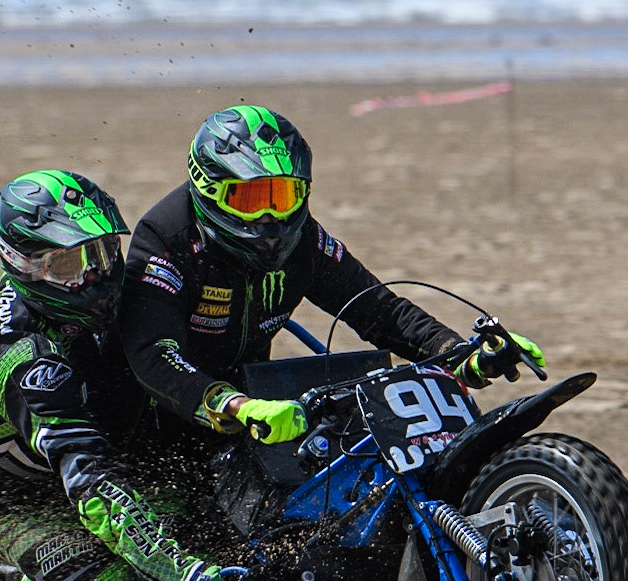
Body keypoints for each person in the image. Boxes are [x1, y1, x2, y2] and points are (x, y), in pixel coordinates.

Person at [0, 169, 230, 581]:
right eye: (72, 264)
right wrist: (184, 573)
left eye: (103, 253)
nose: (97, 276)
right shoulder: (28, 362)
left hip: (74, 453)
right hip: (5, 502)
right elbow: (91, 484)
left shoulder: (65, 311)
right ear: (25, 264)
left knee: (199, 517)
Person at [120, 105, 546, 444]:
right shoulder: (165, 240)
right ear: (210, 191)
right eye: (251, 198)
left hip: (252, 406)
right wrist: (231, 405)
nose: (271, 218)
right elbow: (153, 353)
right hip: (156, 422)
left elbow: (379, 310)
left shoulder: (301, 239)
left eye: (284, 195)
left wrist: (461, 354)